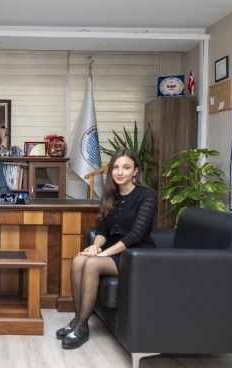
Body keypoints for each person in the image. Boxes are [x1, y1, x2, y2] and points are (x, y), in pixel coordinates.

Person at [57, 149, 157, 349]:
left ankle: (82, 328)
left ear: (135, 171)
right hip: (111, 252)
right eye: (116, 167)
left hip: (136, 255)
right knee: (78, 260)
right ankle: (78, 320)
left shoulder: (147, 196)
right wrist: (95, 247)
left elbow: (135, 236)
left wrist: (101, 255)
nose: (120, 172)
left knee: (92, 264)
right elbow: (102, 229)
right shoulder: (110, 195)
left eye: (126, 168)